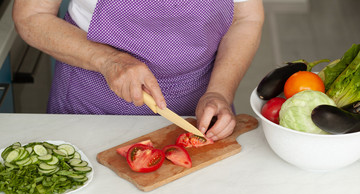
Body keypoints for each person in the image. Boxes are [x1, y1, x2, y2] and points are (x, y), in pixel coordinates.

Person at [12, 0, 264, 141]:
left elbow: (246, 18)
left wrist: (219, 92)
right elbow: (31, 15)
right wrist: (108, 60)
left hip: (199, 111)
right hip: (90, 107)